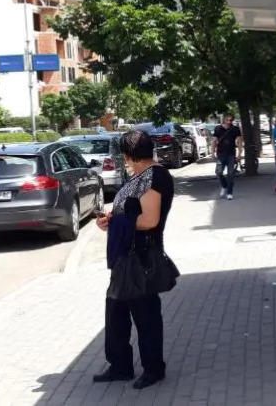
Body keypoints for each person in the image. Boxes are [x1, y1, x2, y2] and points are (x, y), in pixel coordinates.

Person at [93, 129, 175, 389]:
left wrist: (117, 221)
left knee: (146, 315)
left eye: (125, 155)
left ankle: (153, 369)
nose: (124, 160)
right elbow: (127, 214)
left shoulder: (156, 176)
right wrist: (110, 220)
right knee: (115, 313)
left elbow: (149, 220)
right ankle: (120, 366)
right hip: (125, 256)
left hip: (143, 257)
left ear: (130, 155)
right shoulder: (138, 176)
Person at [213, 115, 243, 200]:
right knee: (218, 172)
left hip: (231, 154)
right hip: (220, 154)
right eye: (227, 120)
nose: (229, 122)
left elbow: (240, 141)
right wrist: (212, 152)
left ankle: (229, 192)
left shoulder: (235, 129)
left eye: (230, 120)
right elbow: (214, 141)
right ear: (224, 120)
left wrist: (239, 154)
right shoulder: (218, 128)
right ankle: (224, 185)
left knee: (230, 174)